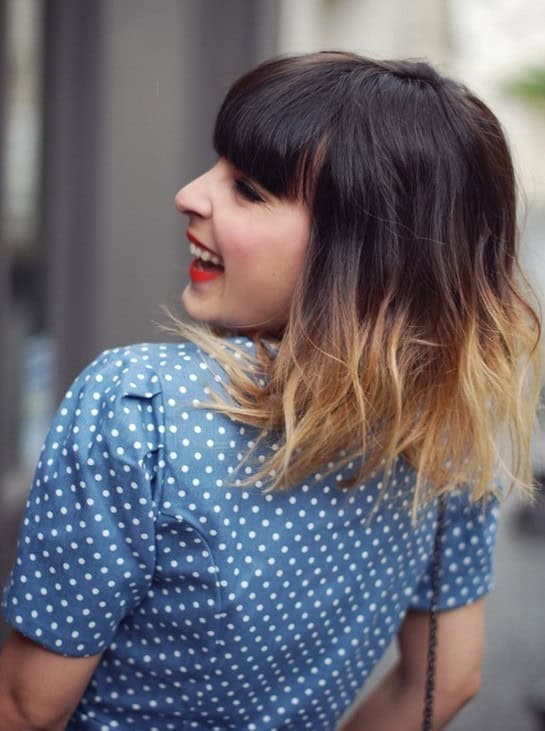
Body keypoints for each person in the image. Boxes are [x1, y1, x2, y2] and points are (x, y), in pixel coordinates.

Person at [0, 51, 541, 731]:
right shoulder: (446, 427)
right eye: (216, 166)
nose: (191, 193)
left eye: (249, 189)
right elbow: (447, 680)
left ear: (363, 253)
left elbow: (26, 704)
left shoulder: (140, 407)